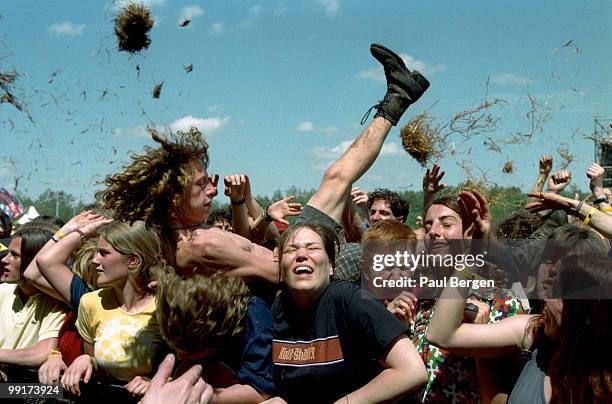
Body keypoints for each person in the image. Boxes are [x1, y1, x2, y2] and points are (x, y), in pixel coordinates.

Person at [271, 223, 428, 403]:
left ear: (331, 266)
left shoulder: (349, 299)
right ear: (280, 270)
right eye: (291, 250)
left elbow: (412, 370)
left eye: (312, 248)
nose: (301, 255)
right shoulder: (279, 308)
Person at [426, 254, 612, 403]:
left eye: (557, 294)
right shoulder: (534, 332)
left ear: (585, 312)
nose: (545, 299)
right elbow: (441, 334)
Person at [60, 221, 169, 397]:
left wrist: (157, 381)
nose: (94, 260)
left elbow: (187, 368)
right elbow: (98, 368)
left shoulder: (165, 305)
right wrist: (86, 360)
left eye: (104, 253)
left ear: (133, 260)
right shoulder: (91, 303)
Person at [156, 271, 275, 403]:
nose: (179, 356)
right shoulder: (180, 321)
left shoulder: (255, 320)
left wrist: (203, 397)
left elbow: (260, 391)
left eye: (189, 352)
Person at [0, 223, 67, 378]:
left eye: (15, 255)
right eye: (7, 253)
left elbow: (42, 353)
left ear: (34, 262)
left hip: (29, 390)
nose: (5, 260)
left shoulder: (56, 301)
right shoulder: (2, 291)